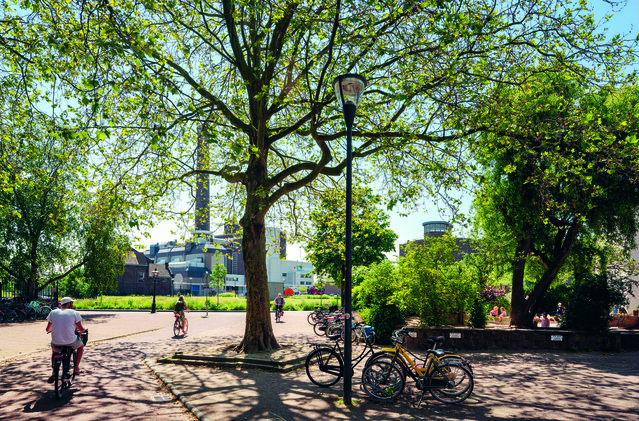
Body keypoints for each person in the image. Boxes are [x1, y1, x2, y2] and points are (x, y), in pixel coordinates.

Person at [46, 296, 87, 383]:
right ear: (68, 303)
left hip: (56, 342)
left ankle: (53, 372)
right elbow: (80, 328)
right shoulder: (74, 313)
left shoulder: (53, 312)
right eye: (72, 303)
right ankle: (76, 368)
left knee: (55, 351)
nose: (72, 305)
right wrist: (84, 330)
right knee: (80, 346)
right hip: (70, 342)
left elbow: (47, 329)